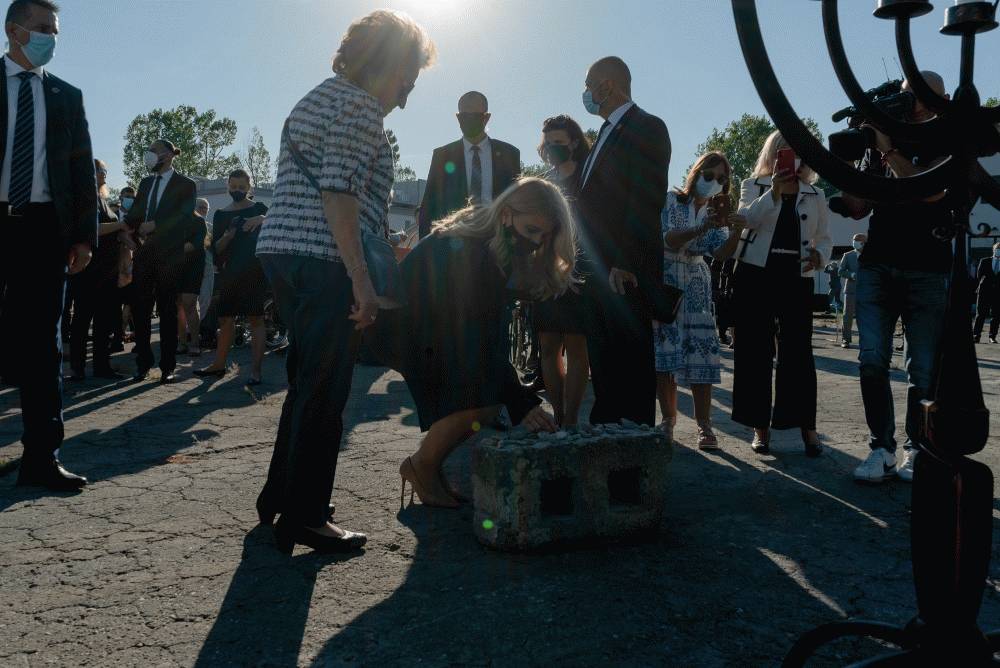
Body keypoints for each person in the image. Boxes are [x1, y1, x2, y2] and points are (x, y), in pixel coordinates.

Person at [253, 9, 435, 554]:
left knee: (307, 381)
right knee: (328, 388)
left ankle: (281, 496)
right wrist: (360, 276)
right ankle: (306, 516)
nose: (406, 94)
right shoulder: (359, 107)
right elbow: (338, 193)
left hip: (283, 252)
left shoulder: (318, 96)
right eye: (409, 79)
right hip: (324, 258)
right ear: (391, 65)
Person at [370, 178, 571, 507]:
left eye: (543, 236)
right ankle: (422, 466)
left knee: (488, 401)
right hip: (402, 329)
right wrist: (521, 400)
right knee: (482, 399)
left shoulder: (487, 243)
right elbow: (477, 338)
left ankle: (426, 466)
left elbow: (479, 334)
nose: (536, 242)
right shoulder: (475, 252)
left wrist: (516, 396)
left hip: (428, 329)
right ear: (506, 215)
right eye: (532, 230)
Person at [2, 0, 97, 491]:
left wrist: (83, 236)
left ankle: (42, 458)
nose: (50, 38)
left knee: (43, 345)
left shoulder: (65, 95)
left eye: (55, 30)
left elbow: (82, 169)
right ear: (14, 30)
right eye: (42, 29)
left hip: (43, 229)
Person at [840, 72, 952, 484]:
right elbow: (856, 207)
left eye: (923, 97)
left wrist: (888, 151)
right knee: (871, 361)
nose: (914, 105)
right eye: (908, 96)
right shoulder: (882, 138)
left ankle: (917, 448)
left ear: (943, 99)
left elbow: (930, 189)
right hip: (878, 263)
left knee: (922, 369)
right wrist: (852, 158)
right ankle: (881, 448)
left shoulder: (950, 138)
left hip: (927, 266)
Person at [575, 56, 670, 427]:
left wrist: (625, 261)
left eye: (588, 84)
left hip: (623, 272)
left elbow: (644, 202)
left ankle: (632, 455)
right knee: (606, 367)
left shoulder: (647, 127)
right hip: (598, 271)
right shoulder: (604, 132)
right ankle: (607, 440)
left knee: (629, 368)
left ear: (607, 86)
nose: (585, 93)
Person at [732, 131, 832, 457]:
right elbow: (745, 220)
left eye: (795, 152)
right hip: (756, 275)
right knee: (755, 352)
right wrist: (773, 191)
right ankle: (760, 429)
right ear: (771, 154)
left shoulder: (816, 194)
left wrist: (821, 256)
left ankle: (808, 428)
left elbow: (824, 237)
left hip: (796, 277)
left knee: (799, 354)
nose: (789, 157)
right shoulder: (753, 185)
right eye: (782, 151)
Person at [655, 152, 744, 448]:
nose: (714, 183)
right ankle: (668, 420)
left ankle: (705, 426)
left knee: (701, 355)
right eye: (709, 175)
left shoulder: (716, 216)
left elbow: (720, 253)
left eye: (721, 179)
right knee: (666, 357)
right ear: (696, 172)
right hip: (668, 280)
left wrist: (736, 230)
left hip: (696, 284)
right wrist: (698, 228)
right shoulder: (671, 200)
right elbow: (667, 239)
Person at [533, 114, 590, 427]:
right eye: (549, 142)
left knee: (577, 345)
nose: (554, 147)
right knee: (548, 345)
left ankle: (572, 417)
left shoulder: (587, 178)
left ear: (574, 142)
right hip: (545, 270)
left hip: (580, 270)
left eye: (560, 142)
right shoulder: (543, 182)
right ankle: (558, 413)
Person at [125, 139, 197, 384]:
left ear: (167, 155)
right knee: (141, 310)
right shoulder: (145, 183)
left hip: (169, 256)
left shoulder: (186, 185)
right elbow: (136, 214)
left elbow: (185, 217)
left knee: (167, 311)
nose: (149, 155)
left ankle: (167, 366)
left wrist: (156, 224)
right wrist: (130, 234)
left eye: (153, 151)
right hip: (143, 254)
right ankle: (142, 364)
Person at [195, 171, 268, 385]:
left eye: (242, 186)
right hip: (229, 274)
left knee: (256, 318)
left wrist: (262, 218)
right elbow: (215, 249)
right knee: (225, 319)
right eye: (233, 185)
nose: (237, 190)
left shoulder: (259, 208)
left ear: (249, 188)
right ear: (228, 186)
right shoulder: (220, 214)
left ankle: (255, 371)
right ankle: (219, 365)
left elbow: (279, 221)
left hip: (255, 272)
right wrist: (228, 236)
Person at [417, 91, 520, 239]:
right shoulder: (443, 156)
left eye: (475, 116)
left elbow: (516, 203)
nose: (469, 120)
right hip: (454, 241)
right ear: (458, 117)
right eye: (464, 116)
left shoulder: (509, 154)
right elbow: (429, 205)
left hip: (497, 240)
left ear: (486, 117)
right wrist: (425, 250)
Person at [68, 159, 125, 380]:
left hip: (106, 271)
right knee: (83, 319)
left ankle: (101, 365)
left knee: (103, 320)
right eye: (102, 171)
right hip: (90, 270)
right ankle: (78, 367)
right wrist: (120, 225)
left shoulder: (102, 199)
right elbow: (91, 229)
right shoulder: (85, 198)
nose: (105, 175)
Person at [176, 197, 209, 357]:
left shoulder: (199, 221)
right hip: (175, 267)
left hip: (193, 267)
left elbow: (193, 245)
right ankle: (182, 342)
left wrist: (170, 249)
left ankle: (194, 342)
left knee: (189, 303)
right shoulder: (174, 220)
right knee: (178, 305)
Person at [837, 233, 866, 348]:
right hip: (850, 290)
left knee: (865, 317)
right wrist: (851, 274)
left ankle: (865, 340)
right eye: (854, 240)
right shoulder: (848, 255)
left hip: (866, 290)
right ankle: (846, 339)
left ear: (864, 243)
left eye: (857, 240)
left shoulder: (871, 256)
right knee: (847, 316)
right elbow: (840, 271)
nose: (854, 242)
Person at [973, 241, 1000, 344]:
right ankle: (976, 335)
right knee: (980, 314)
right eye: (997, 249)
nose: (998, 251)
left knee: (996, 315)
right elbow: (979, 275)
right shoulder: (984, 261)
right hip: (984, 291)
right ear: (994, 250)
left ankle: (992, 336)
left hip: (998, 293)